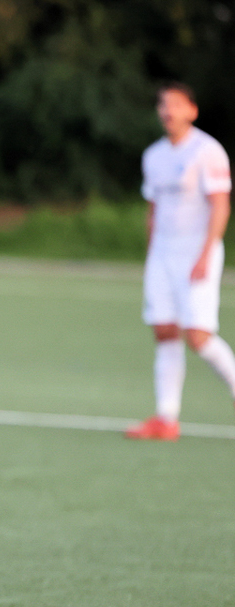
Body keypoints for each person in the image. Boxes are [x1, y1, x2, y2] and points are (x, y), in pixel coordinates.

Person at [126, 82, 234, 441]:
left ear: (192, 110)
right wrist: (151, 254)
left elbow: (220, 205)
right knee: (164, 330)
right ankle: (166, 418)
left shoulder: (208, 151)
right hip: (162, 253)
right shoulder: (153, 155)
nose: (168, 111)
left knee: (198, 336)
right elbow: (154, 209)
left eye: (176, 104)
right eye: (163, 104)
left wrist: (206, 253)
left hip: (196, 250)